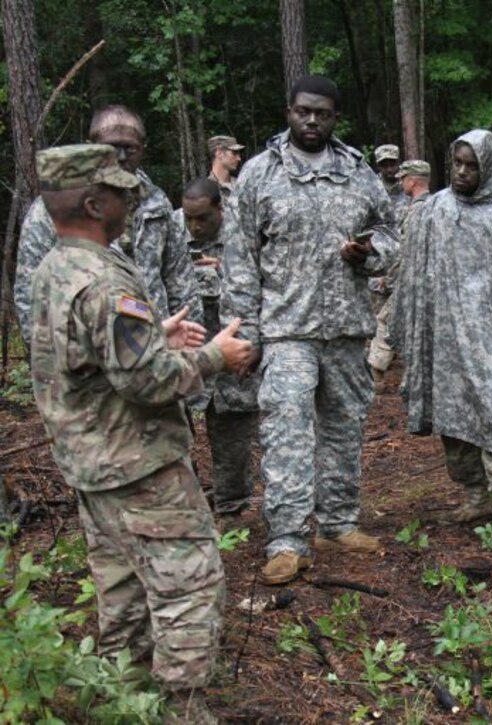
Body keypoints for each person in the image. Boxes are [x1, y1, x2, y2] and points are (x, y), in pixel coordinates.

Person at [28, 144, 253, 724]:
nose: (132, 198)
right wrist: (212, 357)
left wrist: (154, 332)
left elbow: (84, 357)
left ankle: (119, 699)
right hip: (138, 467)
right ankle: (180, 711)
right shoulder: (103, 280)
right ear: (92, 201)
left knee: (122, 591)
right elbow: (148, 383)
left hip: (90, 465)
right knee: (189, 589)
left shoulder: (56, 267)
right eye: (120, 191)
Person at [226, 75, 399, 585]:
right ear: (289, 110)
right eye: (303, 111)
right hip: (287, 330)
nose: (311, 121)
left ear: (335, 117)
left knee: (344, 429)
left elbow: (390, 234)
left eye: (322, 113)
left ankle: (339, 523)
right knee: (287, 434)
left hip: (347, 328)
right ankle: (286, 539)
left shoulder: (358, 173)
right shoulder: (260, 174)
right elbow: (241, 259)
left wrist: (371, 253)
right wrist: (247, 335)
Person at [395, 129, 492, 527]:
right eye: (458, 164)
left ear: (490, 168)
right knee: (452, 416)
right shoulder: (434, 211)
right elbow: (414, 274)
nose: (463, 172)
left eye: (473, 166)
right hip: (445, 336)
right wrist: (412, 332)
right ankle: (474, 494)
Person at [16, 105, 202, 343]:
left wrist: (190, 343)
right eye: (113, 148)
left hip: (159, 354)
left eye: (130, 148)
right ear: (91, 146)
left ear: (143, 149)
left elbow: (180, 279)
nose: (122, 158)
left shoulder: (156, 203)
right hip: (91, 359)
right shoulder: (52, 209)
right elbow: (30, 297)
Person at [176, 178, 260, 514]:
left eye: (203, 218)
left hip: (231, 352)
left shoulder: (242, 235)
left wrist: (224, 270)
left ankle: (232, 505)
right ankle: (184, 504)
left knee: (233, 431)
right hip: (183, 351)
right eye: (188, 218)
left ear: (219, 210)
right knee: (173, 433)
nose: (194, 226)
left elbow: (261, 281)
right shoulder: (170, 233)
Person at [367, 159, 431, 390]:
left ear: (412, 181)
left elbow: (406, 252)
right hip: (433, 281)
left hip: (414, 281)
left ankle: (376, 374)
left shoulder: (416, 212)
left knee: (387, 321)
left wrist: (390, 278)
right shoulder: (438, 207)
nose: (400, 181)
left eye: (404, 177)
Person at [374, 143, 409, 217]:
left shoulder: (409, 184)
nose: (389, 169)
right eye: (385, 166)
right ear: (378, 166)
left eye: (392, 165)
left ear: (399, 162)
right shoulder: (372, 186)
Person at [206, 135, 244, 202]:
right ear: (219, 153)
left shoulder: (242, 185)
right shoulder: (206, 189)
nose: (239, 158)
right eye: (234, 153)